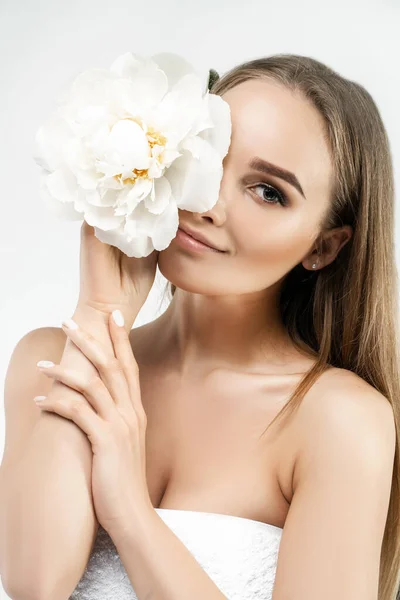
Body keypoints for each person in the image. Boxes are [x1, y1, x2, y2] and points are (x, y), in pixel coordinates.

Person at [1, 54, 399, 600]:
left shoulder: (337, 420)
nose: (209, 203)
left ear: (323, 247)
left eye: (268, 191)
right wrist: (98, 312)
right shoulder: (48, 360)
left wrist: (131, 515)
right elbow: (33, 582)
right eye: (206, 157)